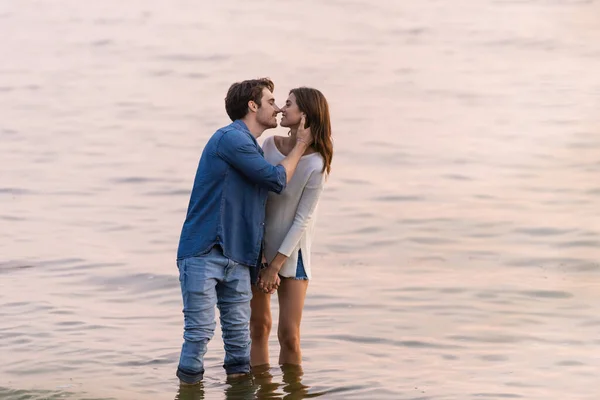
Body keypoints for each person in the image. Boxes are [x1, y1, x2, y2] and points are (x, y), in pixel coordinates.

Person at [175, 78, 313, 385]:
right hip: (203, 252)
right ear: (252, 106)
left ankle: (239, 392)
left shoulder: (251, 146)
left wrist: (263, 259)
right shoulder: (231, 139)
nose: (277, 108)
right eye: (270, 101)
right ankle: (187, 391)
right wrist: (302, 144)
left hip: (237, 257)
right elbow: (276, 179)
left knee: (239, 344)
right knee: (198, 334)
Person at [250, 87, 333, 367]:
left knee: (289, 335)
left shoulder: (317, 164)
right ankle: (261, 391)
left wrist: (275, 266)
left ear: (305, 116)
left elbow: (303, 220)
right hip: (259, 251)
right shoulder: (269, 146)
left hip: (292, 256)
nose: (282, 109)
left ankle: (292, 392)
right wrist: (261, 256)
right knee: (258, 328)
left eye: (289, 104)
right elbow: (257, 202)